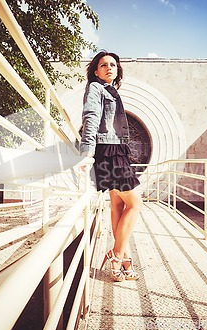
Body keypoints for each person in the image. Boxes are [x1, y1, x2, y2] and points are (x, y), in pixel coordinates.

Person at [80, 51, 142, 282]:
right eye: (103, 65)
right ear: (96, 71)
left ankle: (123, 262)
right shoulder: (96, 88)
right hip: (108, 151)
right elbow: (91, 117)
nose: (109, 68)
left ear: (117, 70)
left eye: (113, 65)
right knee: (135, 204)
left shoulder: (109, 90)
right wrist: (87, 153)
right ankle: (116, 256)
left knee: (117, 205)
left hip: (117, 149)